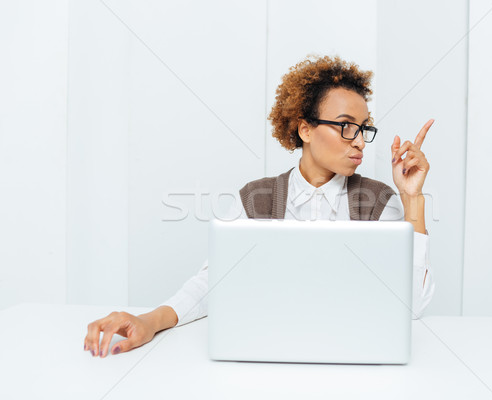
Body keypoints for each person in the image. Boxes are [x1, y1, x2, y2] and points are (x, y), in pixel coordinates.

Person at [84, 55, 435, 358]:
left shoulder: (380, 202)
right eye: (345, 126)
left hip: (353, 356)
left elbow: (412, 308)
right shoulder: (254, 200)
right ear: (305, 130)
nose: (359, 141)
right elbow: (212, 282)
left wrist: (412, 199)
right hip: (267, 354)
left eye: (364, 128)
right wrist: (149, 321)